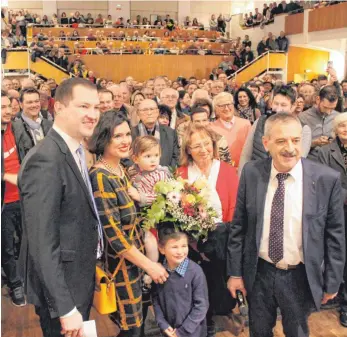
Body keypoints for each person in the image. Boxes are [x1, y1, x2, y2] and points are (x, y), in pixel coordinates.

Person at [227, 112, 345, 337]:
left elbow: (335, 235)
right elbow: (238, 227)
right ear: (266, 143)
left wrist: (332, 280)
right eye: (281, 141)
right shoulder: (251, 173)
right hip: (259, 272)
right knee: (259, 332)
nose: (290, 148)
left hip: (299, 276)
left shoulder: (326, 179)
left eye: (295, 140)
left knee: (297, 332)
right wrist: (234, 273)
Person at [18, 78, 103, 337]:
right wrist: (65, 308)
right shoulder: (46, 158)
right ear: (59, 108)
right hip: (62, 293)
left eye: (96, 107)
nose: (92, 115)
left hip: (77, 278)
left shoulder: (75, 150)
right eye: (83, 106)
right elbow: (42, 243)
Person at [89, 111, 168, 336]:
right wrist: (150, 266)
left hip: (136, 259)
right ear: (104, 138)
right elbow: (115, 237)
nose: (125, 141)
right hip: (122, 265)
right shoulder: (102, 176)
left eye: (127, 134)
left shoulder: (120, 168)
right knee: (131, 328)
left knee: (137, 324)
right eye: (117, 136)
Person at [178, 123, 239, 337]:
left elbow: (235, 208)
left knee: (218, 282)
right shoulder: (182, 174)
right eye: (197, 146)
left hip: (224, 236)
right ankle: (202, 318)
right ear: (188, 150)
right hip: (192, 240)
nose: (203, 150)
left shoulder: (228, 170)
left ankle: (218, 312)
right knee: (197, 282)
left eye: (206, 144)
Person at [239, 85, 312, 174]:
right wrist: (242, 178)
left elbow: (298, 160)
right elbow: (246, 154)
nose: (278, 109)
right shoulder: (260, 122)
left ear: (293, 106)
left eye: (283, 105)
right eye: (276, 103)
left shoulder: (303, 129)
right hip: (257, 175)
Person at [318, 112, 347, 325]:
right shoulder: (325, 152)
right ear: (335, 129)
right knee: (339, 256)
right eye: (342, 126)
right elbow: (324, 180)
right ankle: (340, 298)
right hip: (337, 211)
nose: (346, 129)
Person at [152, 227, 209, 337]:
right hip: (169, 331)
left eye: (184, 246)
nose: (180, 252)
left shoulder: (195, 272)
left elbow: (201, 306)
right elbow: (156, 300)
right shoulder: (159, 272)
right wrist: (163, 324)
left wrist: (182, 332)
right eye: (174, 247)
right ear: (162, 249)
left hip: (193, 333)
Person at [1, 90, 26, 307]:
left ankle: (26, 278)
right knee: (6, 248)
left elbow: (28, 154)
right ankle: (15, 283)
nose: (8, 111)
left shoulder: (17, 127)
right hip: (4, 203)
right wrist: (5, 175)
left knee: (27, 241)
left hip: (24, 197)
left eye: (9, 106)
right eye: (2, 108)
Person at [132, 99, 179, 168]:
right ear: (138, 113)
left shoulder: (170, 133)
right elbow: (127, 158)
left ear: (157, 112)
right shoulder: (131, 133)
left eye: (152, 109)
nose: (149, 113)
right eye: (145, 110)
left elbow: (176, 157)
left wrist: (167, 173)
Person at [211, 92, 251, 168]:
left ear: (233, 105)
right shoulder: (211, 128)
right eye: (222, 105)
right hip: (222, 171)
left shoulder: (246, 124)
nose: (226, 108)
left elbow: (250, 150)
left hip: (244, 170)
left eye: (228, 104)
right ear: (216, 109)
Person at [299, 85, 339, 161]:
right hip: (311, 160)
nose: (329, 112)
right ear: (318, 99)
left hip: (332, 160)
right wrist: (314, 143)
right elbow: (297, 143)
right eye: (325, 107)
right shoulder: (303, 117)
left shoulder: (337, 116)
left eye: (332, 108)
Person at [12, 88, 53, 163]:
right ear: (21, 105)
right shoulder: (14, 129)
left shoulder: (50, 125)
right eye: (29, 102)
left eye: (36, 101)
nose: (34, 105)